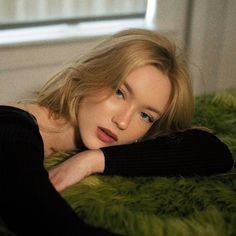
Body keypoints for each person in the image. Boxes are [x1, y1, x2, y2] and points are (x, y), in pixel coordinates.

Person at [0, 28, 233, 236]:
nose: (122, 121)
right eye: (120, 92)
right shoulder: (13, 128)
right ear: (91, 74)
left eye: (146, 115)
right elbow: (37, 213)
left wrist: (94, 160)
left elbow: (213, 151)